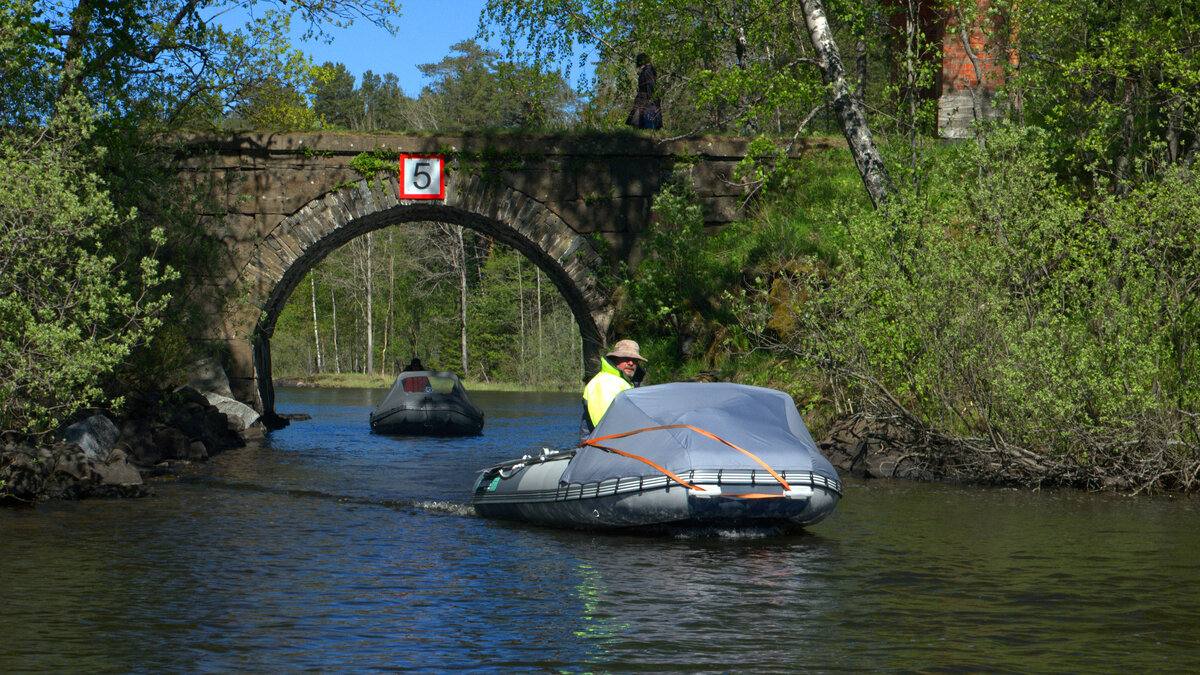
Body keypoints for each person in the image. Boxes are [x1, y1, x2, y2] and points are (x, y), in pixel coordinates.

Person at [579, 339, 648, 444]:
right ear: (615, 359)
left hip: (617, 446)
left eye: (635, 360)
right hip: (599, 450)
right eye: (625, 358)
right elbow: (607, 426)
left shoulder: (625, 383)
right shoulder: (605, 383)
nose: (631, 363)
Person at [625, 54, 663, 130]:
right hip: (644, 99)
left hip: (645, 100)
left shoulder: (647, 71)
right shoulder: (647, 70)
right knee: (639, 121)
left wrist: (652, 100)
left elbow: (650, 86)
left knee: (643, 121)